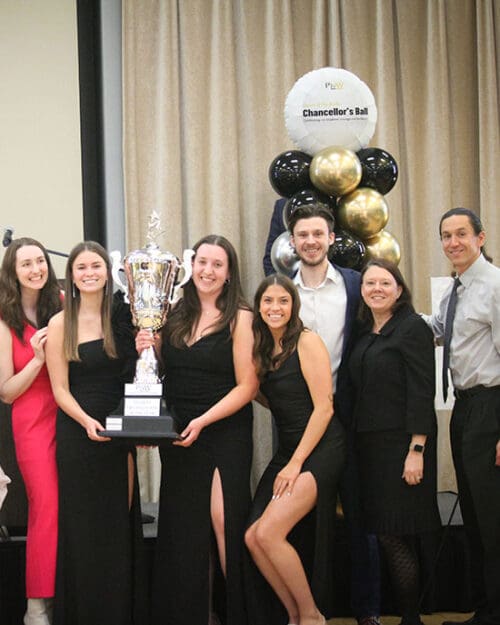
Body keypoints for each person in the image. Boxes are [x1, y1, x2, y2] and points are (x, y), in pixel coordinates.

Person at [266, 202, 381, 625]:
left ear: (331, 238)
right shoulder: (280, 292)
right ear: (292, 242)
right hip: (297, 424)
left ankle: (367, 610)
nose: (311, 241)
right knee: (295, 522)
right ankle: (304, 609)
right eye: (303, 235)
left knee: (358, 513)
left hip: (347, 419)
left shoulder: (354, 285)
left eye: (319, 234)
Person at [136, 234, 258, 625]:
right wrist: (149, 348)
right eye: (202, 262)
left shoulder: (241, 317)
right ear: (190, 267)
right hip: (180, 435)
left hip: (223, 431)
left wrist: (204, 421)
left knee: (224, 522)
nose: (208, 271)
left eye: (217, 264)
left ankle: (239, 614)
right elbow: (163, 372)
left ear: (228, 273)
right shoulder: (172, 313)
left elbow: (248, 386)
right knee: (185, 530)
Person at [45, 241, 145, 625]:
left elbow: (137, 375)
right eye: (82, 267)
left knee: (117, 526)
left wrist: (142, 348)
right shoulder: (59, 323)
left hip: (118, 435)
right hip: (77, 434)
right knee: (83, 532)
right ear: (71, 275)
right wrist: (87, 421)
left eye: (96, 266)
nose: (89, 273)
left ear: (108, 272)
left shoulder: (124, 317)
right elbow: (59, 390)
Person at [245, 274, 345, 625]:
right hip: (290, 450)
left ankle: (312, 616)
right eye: (268, 301)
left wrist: (296, 464)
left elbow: (324, 408)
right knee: (252, 537)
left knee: (269, 533)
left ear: (293, 305)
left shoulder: (306, 341)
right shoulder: (261, 348)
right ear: (259, 307)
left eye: (283, 301)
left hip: (320, 449)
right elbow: (265, 397)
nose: (275, 308)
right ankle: (294, 616)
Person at [348, 258, 441, 625]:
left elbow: (422, 392)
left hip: (403, 449)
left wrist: (417, 450)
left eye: (385, 283)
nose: (376, 289)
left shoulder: (412, 328)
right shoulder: (364, 331)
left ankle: (411, 618)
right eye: (370, 283)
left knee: (395, 535)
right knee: (387, 532)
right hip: (370, 451)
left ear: (399, 289)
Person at [423, 208, 500, 625]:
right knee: (473, 514)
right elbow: (436, 329)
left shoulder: (495, 286)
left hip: (493, 409)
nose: (453, 242)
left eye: (461, 234)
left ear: (480, 238)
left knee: (493, 517)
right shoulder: (455, 290)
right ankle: (485, 609)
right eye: (446, 236)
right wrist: (388, 311)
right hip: (465, 409)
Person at [0, 237, 62, 625]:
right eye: (26, 264)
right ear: (13, 272)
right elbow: (6, 391)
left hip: (71, 413)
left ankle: (69, 594)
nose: (36, 268)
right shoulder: (4, 319)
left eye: (40, 260)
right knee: (47, 507)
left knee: (73, 508)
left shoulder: (61, 301)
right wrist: (38, 359)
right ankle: (37, 605)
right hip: (33, 419)